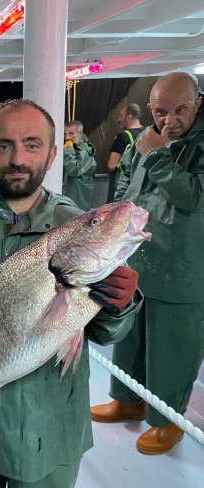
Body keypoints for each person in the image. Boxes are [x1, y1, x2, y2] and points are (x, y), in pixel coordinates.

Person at [0, 99, 141, 487]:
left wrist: (121, 304)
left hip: (50, 428)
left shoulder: (78, 226)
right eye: (3, 145)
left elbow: (105, 333)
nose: (17, 158)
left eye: (32, 145)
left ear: (51, 156)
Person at [91, 72, 204, 455]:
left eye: (180, 110)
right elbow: (126, 180)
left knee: (172, 347)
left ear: (198, 102)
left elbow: (193, 198)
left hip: (185, 269)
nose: (170, 119)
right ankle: (127, 399)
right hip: (139, 259)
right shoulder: (150, 138)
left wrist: (156, 153)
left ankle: (167, 419)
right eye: (161, 111)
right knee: (130, 337)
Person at [105, 103, 145, 202]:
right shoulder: (147, 134)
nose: (119, 119)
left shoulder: (123, 136)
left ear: (129, 117)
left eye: (121, 116)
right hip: (140, 184)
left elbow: (112, 165)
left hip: (121, 184)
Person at [62, 120, 96, 210]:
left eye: (71, 133)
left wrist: (68, 150)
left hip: (78, 199)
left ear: (80, 134)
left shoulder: (85, 151)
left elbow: (73, 170)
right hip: (73, 196)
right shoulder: (77, 148)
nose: (67, 138)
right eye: (65, 134)